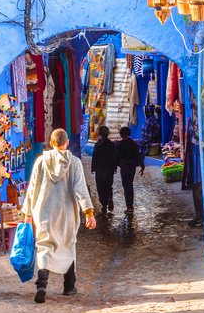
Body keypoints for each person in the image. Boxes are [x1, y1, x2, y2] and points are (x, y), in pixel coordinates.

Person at [21, 128, 96, 303]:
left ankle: (42, 285)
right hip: (66, 213)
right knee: (67, 245)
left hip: (44, 212)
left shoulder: (41, 161)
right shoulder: (75, 163)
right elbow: (81, 189)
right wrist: (89, 213)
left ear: (51, 143)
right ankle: (69, 286)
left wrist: (27, 213)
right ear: (67, 142)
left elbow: (33, 188)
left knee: (44, 246)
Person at [114, 126, 144, 216]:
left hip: (124, 167)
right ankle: (130, 205)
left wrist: (114, 167)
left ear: (121, 135)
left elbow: (116, 157)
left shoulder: (119, 144)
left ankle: (129, 207)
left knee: (126, 186)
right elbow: (137, 155)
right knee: (130, 185)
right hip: (132, 167)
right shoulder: (133, 144)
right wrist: (142, 166)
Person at [91, 125, 116, 213]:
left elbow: (95, 157)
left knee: (101, 187)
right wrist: (114, 167)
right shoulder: (112, 145)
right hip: (109, 169)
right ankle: (109, 197)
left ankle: (104, 205)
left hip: (100, 170)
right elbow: (114, 157)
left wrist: (93, 168)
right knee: (109, 186)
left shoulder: (97, 145)